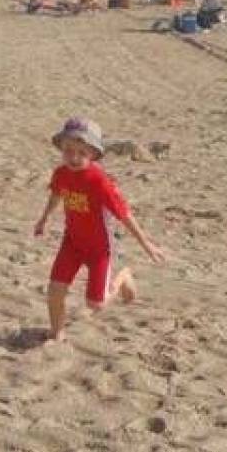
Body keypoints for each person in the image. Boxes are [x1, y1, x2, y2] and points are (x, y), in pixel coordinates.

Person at [32, 118, 166, 344]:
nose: (74, 158)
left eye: (82, 153)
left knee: (96, 303)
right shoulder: (61, 173)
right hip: (72, 242)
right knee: (55, 289)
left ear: (93, 153)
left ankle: (122, 276)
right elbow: (56, 194)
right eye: (68, 151)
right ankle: (56, 332)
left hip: (100, 248)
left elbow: (124, 214)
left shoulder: (99, 182)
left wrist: (147, 244)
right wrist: (43, 219)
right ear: (61, 147)